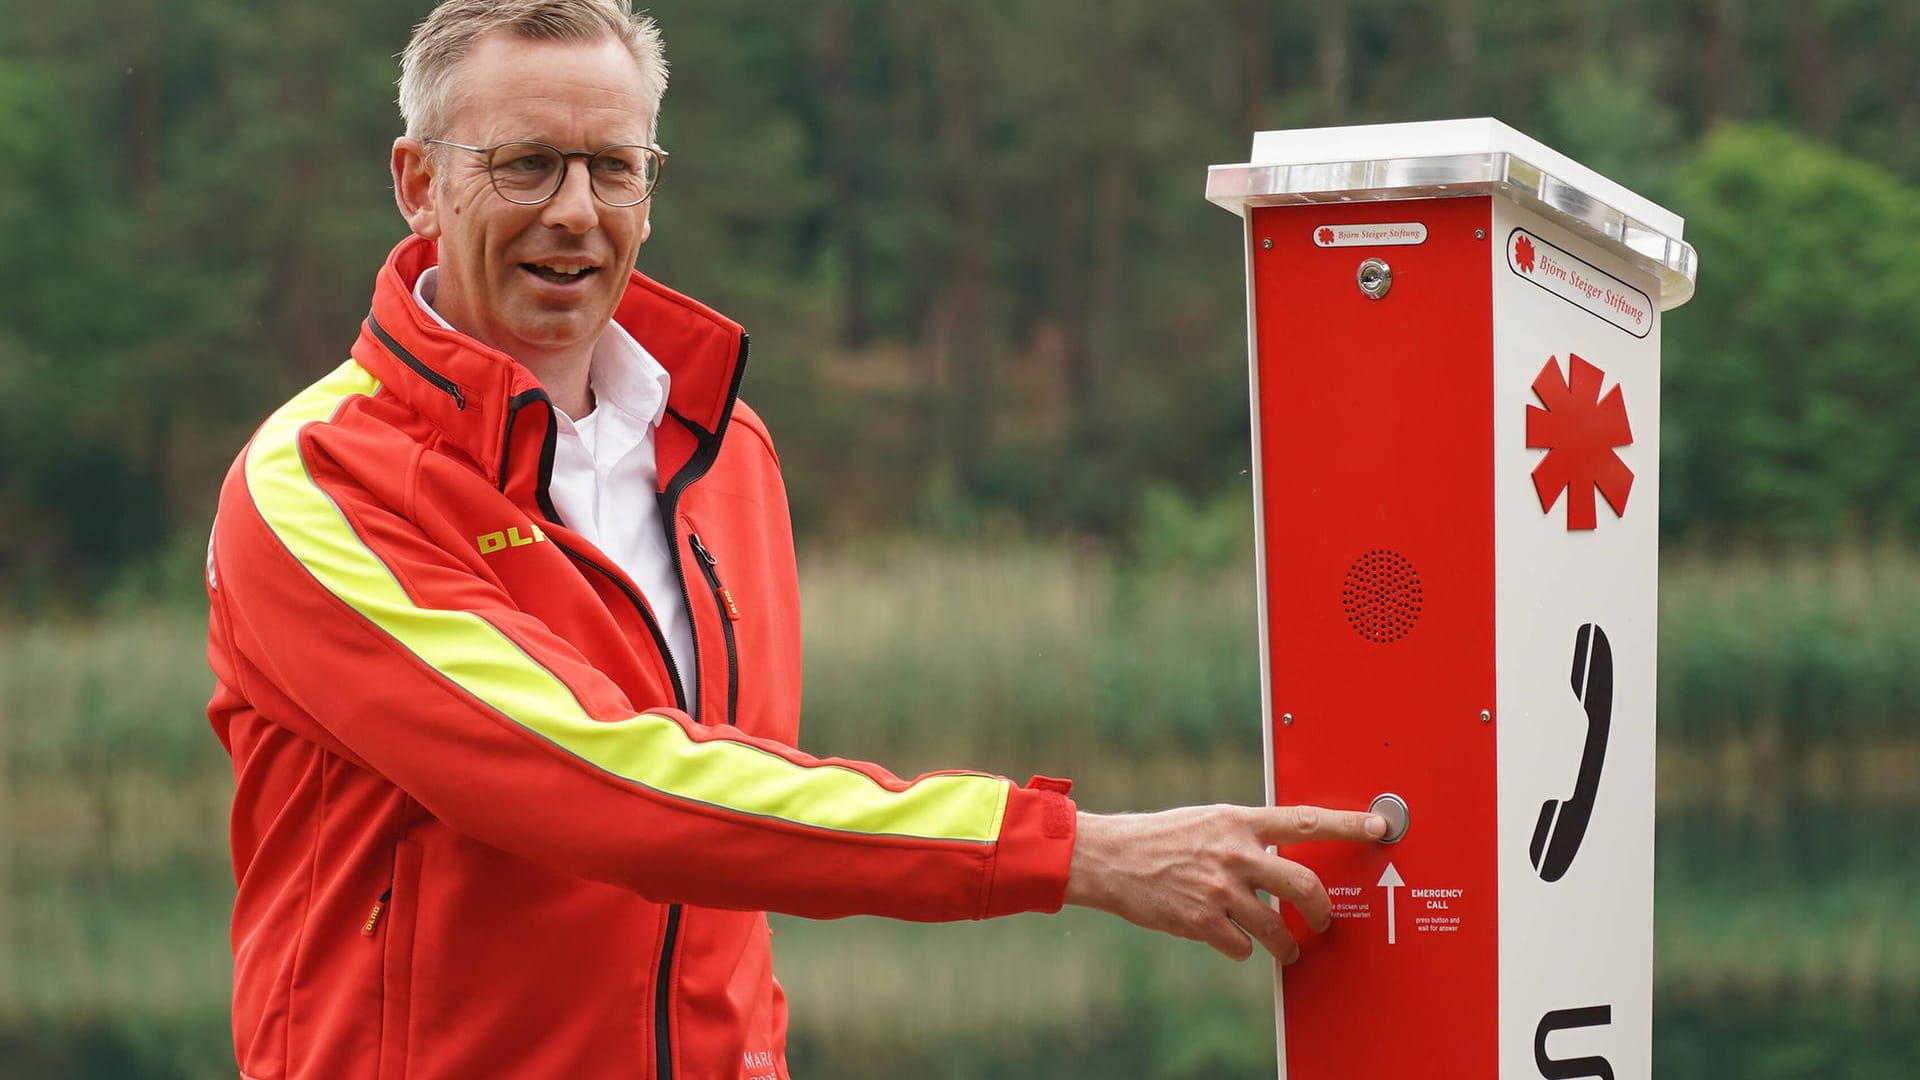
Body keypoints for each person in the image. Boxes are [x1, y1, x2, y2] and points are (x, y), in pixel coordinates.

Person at [203, 2, 1388, 1077]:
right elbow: (605, 787)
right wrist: (1066, 850)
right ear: (417, 181)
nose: (574, 209)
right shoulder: (314, 483)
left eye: (612, 166)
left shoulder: (727, 452)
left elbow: (737, 839)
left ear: (651, 192)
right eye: (524, 164)